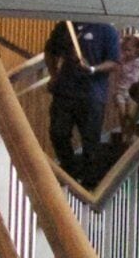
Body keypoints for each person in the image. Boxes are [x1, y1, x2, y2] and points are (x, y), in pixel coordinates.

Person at [45, 18, 124, 179]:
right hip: (64, 91)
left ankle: (90, 181)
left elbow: (114, 62)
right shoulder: (64, 26)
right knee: (57, 133)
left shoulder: (106, 29)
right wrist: (53, 74)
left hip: (92, 95)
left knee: (90, 139)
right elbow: (50, 51)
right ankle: (70, 171)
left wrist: (93, 69)